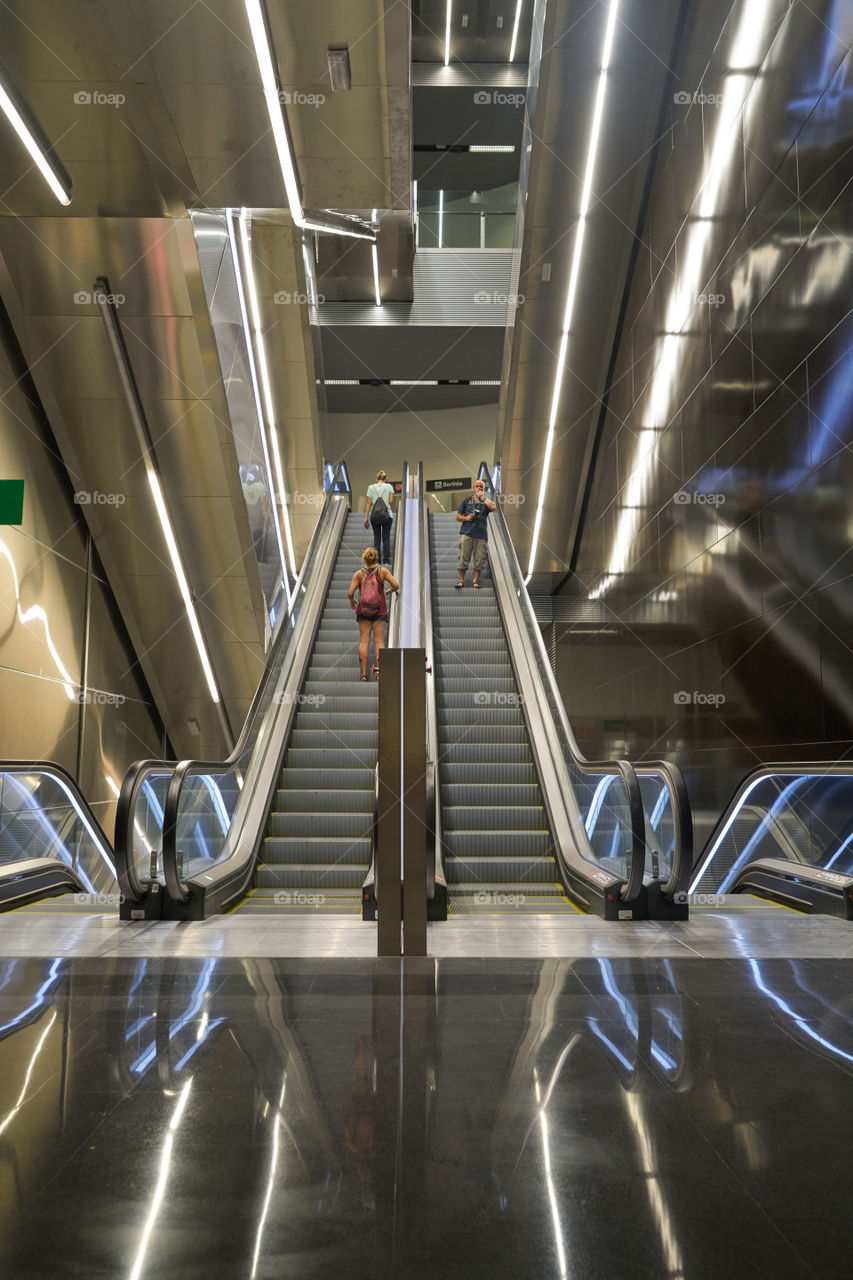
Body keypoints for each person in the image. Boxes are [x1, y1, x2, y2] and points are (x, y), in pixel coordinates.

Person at [348, 547, 399, 680]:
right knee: (379, 642)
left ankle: (364, 674)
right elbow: (396, 585)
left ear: (364, 559)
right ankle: (379, 674)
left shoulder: (359, 574)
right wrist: (387, 592)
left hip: (363, 612)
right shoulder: (382, 571)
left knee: (364, 642)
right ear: (376, 558)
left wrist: (352, 601)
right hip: (380, 610)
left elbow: (350, 592)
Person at [456, 479, 496, 588]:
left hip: (481, 535)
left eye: (481, 487)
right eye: (477, 486)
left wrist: (483, 498)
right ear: (473, 488)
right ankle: (461, 581)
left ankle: (475, 582)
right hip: (466, 533)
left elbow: (493, 507)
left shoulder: (486, 502)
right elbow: (458, 516)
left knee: (479, 559)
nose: (479, 488)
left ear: (483, 489)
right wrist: (466, 518)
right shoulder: (466, 500)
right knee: (463, 557)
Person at [364, 470, 395, 565]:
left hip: (374, 516)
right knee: (386, 538)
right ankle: (386, 560)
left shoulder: (371, 487)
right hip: (387, 515)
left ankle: (376, 561)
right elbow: (390, 501)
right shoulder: (389, 486)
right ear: (385, 479)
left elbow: (369, 503)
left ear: (377, 479)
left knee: (377, 538)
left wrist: (366, 518)